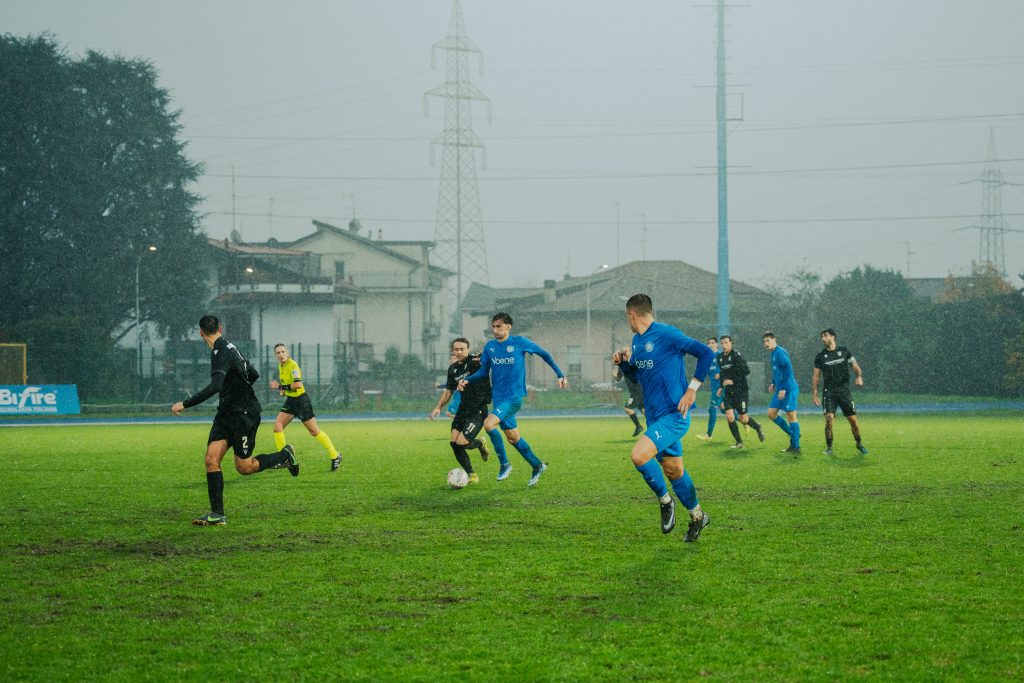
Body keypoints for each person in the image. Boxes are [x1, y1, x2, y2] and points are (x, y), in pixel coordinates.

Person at [171, 315, 298, 526]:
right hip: (226, 414)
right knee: (211, 459)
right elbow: (254, 374)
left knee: (244, 467)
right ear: (219, 328)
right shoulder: (231, 348)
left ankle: (284, 455)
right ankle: (217, 514)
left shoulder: (221, 352)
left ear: (201, 332)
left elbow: (216, 386)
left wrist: (185, 403)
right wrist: (237, 388)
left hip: (243, 416)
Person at [613, 294, 715, 542]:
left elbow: (705, 354)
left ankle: (665, 501)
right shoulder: (637, 341)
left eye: (627, 316)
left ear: (632, 314)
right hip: (656, 418)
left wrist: (692, 389)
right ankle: (698, 516)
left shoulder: (667, 334)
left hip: (674, 415)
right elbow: (638, 377)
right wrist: (625, 365)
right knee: (674, 471)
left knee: (638, 456)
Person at [459, 312, 568, 486]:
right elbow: (482, 372)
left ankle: (505, 464)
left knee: (488, 424)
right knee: (513, 437)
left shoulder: (520, 342)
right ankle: (537, 465)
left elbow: (544, 354)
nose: (495, 330)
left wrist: (560, 374)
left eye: (499, 326)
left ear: (509, 326)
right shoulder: (490, 347)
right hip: (499, 398)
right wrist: (467, 379)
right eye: (493, 326)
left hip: (514, 397)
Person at [430, 338, 497, 484]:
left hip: (478, 410)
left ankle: (479, 444)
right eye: (456, 349)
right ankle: (471, 474)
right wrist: (438, 407)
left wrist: (486, 355)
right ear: (452, 351)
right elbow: (448, 392)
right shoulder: (453, 369)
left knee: (462, 443)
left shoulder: (475, 362)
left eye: (462, 349)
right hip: (463, 409)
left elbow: (489, 362)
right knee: (454, 443)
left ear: (468, 349)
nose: (459, 352)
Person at [269, 343, 342, 472]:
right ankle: (283, 459)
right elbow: (288, 386)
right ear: (275, 355)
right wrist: (283, 391)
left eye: (282, 352)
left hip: (301, 401)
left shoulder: (293, 365)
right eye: (278, 353)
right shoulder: (281, 366)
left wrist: (280, 387)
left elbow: (298, 384)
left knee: (314, 431)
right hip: (291, 401)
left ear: (287, 353)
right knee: (277, 426)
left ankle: (335, 455)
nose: (281, 355)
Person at [812, 328, 869, 456]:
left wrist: (859, 377)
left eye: (825, 336)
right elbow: (816, 376)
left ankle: (859, 443)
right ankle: (829, 448)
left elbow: (856, 367)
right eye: (821, 337)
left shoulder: (844, 351)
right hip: (829, 393)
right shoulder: (820, 356)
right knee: (829, 419)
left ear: (833, 337)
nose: (823, 339)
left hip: (844, 392)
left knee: (853, 421)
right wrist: (815, 394)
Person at [716, 335, 765, 448]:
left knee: (743, 418)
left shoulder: (736, 356)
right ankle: (739, 442)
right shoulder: (719, 358)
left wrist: (732, 380)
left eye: (726, 343)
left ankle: (757, 427)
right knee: (729, 415)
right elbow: (723, 373)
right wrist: (720, 386)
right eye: (722, 343)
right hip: (728, 391)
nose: (724, 345)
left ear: (731, 343)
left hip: (741, 390)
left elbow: (746, 371)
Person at [763, 331, 801, 454]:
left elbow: (788, 369)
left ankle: (795, 447)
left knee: (791, 415)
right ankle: (793, 434)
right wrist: (773, 383)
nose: (766, 343)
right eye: (764, 341)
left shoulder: (780, 352)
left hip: (789, 389)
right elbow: (777, 371)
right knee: (771, 413)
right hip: (780, 389)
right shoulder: (773, 354)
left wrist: (784, 388)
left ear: (774, 340)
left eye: (768, 340)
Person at [695, 337, 725, 442]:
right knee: (725, 409)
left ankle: (708, 435)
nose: (711, 345)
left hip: (721, 387)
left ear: (717, 345)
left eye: (713, 343)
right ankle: (745, 421)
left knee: (712, 409)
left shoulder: (720, 356)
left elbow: (728, 370)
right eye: (709, 343)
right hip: (714, 388)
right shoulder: (707, 357)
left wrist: (721, 375)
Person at [611, 348, 645, 437]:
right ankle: (657, 425)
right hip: (635, 392)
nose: (624, 355)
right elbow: (618, 378)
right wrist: (615, 374)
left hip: (637, 391)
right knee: (644, 411)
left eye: (625, 353)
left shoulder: (633, 362)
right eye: (623, 353)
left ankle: (639, 426)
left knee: (628, 408)